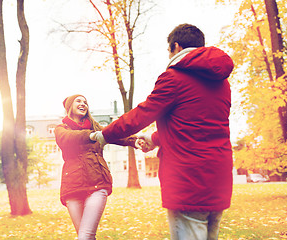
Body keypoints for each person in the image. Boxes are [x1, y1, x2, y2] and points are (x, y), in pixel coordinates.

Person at [91, 24, 234, 239]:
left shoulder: (174, 78)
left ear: (175, 46)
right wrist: (153, 138)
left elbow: (142, 114)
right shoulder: (222, 82)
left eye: (168, 49)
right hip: (218, 177)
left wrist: (105, 135)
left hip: (188, 180)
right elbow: (196, 126)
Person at [54, 94, 142, 240]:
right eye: (78, 101)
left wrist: (133, 141)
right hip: (73, 187)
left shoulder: (96, 128)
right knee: (85, 236)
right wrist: (92, 136)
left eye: (85, 102)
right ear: (70, 106)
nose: (83, 104)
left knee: (85, 236)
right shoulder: (61, 129)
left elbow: (113, 135)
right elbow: (67, 138)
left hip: (97, 183)